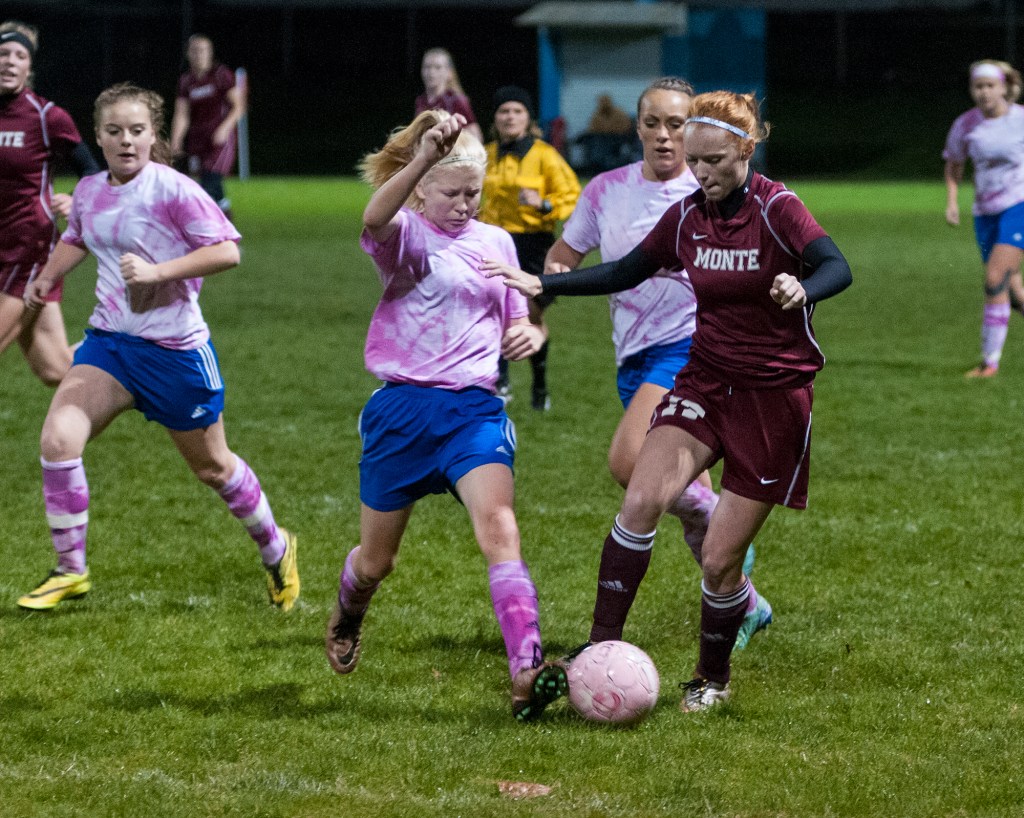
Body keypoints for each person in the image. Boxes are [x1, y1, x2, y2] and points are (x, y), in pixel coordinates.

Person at [484, 90, 852, 712]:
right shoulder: (687, 217)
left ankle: (712, 677)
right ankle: (598, 647)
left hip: (773, 397)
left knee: (718, 563)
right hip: (705, 381)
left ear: (746, 149)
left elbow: (837, 265)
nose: (701, 172)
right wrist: (541, 281)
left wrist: (804, 287)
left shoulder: (777, 207)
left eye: (714, 160)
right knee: (639, 499)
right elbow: (627, 269)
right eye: (694, 160)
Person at [323, 109, 568, 722]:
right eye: (452, 194)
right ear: (422, 189)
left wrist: (530, 334)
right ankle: (349, 610)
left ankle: (526, 668)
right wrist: (423, 159)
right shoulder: (406, 236)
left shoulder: (497, 242)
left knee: (500, 527)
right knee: (376, 562)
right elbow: (373, 216)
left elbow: (518, 316)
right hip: (402, 412)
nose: (464, 206)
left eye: (473, 194)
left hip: (473, 411)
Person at [16, 83, 298, 613]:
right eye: (115, 131)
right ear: (99, 137)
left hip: (175, 353)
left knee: (214, 468)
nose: (126, 140)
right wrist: (47, 277)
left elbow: (227, 251)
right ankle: (70, 570)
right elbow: (77, 235)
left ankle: (276, 547)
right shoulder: (91, 190)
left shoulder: (173, 189)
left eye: (137, 130)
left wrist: (158, 271)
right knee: (57, 440)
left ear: (153, 136)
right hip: (110, 345)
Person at [544, 77, 766, 651]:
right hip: (633, 354)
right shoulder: (606, 190)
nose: (665, 136)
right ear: (637, 128)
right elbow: (566, 254)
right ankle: (742, 600)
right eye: (653, 124)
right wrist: (550, 283)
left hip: (693, 350)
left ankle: (727, 537)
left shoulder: (708, 188)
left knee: (630, 464)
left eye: (676, 124)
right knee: (685, 497)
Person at [0, 21, 100, 386]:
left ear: (29, 67)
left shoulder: (46, 117)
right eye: (3, 54)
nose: (10, 62)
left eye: (19, 55)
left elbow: (92, 171)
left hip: (30, 247)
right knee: (56, 369)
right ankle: (130, 350)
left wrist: (76, 200)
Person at [479, 85, 580, 410]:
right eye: (504, 111)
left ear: (528, 118)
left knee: (529, 314)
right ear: (495, 118)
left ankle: (539, 386)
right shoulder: (485, 154)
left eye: (517, 111)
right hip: (494, 242)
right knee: (496, 311)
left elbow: (573, 195)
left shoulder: (544, 155)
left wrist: (544, 203)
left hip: (534, 246)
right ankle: (501, 381)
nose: (510, 117)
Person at [943, 59, 1024, 378]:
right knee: (1014, 294)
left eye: (990, 85)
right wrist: (952, 201)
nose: (984, 92)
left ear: (1004, 87)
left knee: (994, 279)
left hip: (1018, 206)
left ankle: (989, 362)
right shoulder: (966, 124)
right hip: (985, 212)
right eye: (978, 86)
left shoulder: (1020, 119)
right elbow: (954, 163)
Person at [170, 34, 245, 220]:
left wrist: (225, 128)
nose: (199, 54)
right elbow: (182, 114)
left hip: (220, 140)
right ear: (188, 53)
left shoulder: (221, 75)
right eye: (195, 51)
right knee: (210, 183)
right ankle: (226, 219)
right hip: (197, 140)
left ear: (210, 53)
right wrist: (176, 140)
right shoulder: (186, 81)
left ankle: (199, 225)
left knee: (207, 182)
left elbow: (239, 106)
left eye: (203, 50)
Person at [414, 47, 483, 143]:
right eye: (427, 67)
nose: (431, 72)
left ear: (449, 72)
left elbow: (475, 135)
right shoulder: (421, 101)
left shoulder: (456, 100)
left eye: (438, 67)